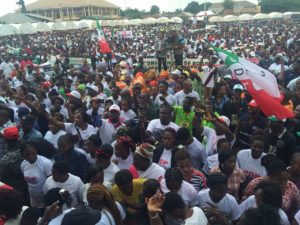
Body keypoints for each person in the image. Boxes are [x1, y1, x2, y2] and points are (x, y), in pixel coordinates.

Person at [20, 141, 53, 208]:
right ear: (22, 156)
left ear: (36, 151)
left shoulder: (46, 163)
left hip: (45, 199)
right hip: (33, 199)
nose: (31, 157)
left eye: (33, 153)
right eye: (27, 155)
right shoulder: (23, 164)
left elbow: (51, 181)